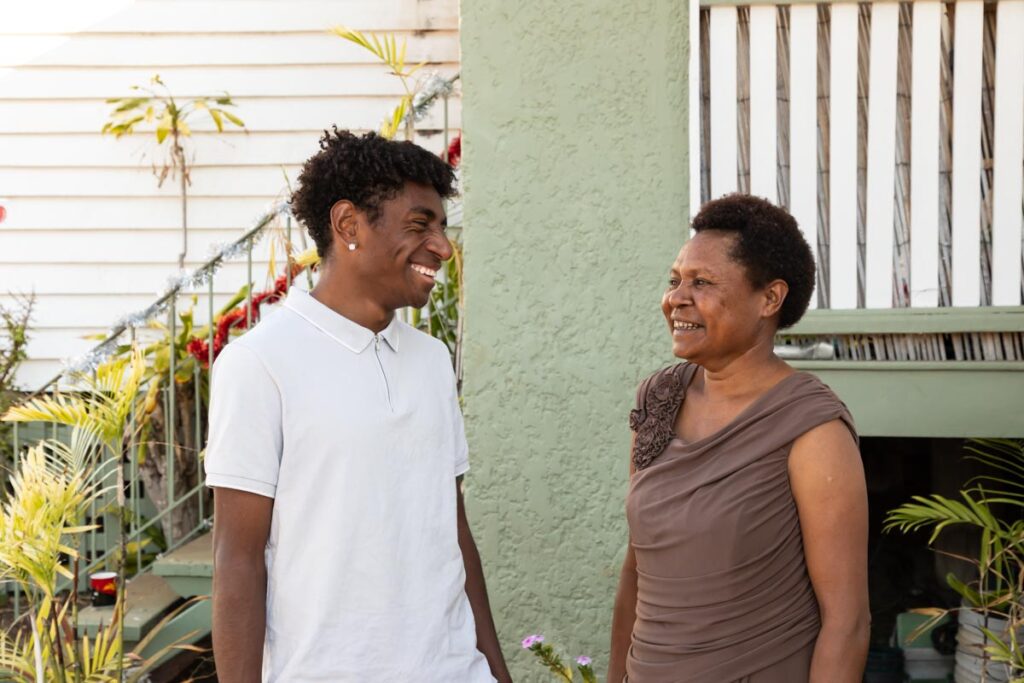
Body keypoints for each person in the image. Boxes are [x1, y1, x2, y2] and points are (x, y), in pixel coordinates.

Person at [206, 129, 511, 682]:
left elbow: (453, 532)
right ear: (349, 226)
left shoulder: (432, 360)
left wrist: (495, 670)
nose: (442, 247)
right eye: (420, 225)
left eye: (442, 228)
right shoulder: (259, 363)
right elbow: (238, 563)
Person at [608, 194, 870, 683]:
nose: (676, 299)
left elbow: (848, 622)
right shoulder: (659, 398)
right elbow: (636, 569)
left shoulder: (813, 429)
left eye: (702, 283)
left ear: (769, 298)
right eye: (675, 281)